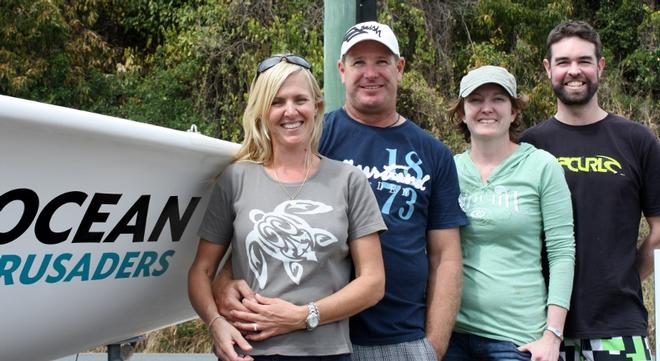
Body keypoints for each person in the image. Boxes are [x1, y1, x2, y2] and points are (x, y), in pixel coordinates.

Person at [214, 21, 468, 361]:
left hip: (400, 337)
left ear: (400, 67)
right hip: (317, 339)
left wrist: (433, 348)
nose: (370, 73)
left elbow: (446, 257)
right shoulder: (310, 136)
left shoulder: (433, 153)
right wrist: (224, 283)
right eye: (358, 62)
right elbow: (259, 216)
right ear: (341, 71)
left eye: (381, 61)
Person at [188, 54, 387, 361]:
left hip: (326, 354)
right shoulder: (236, 178)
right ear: (262, 112)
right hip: (247, 353)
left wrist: (304, 315)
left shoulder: (349, 180)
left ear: (317, 107)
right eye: (277, 102)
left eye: (300, 100)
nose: (290, 111)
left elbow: (373, 282)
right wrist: (215, 323)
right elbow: (201, 271)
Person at [521, 21, 660, 361]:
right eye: (563, 62)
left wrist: (624, 276)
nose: (574, 71)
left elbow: (659, 229)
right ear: (548, 69)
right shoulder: (529, 146)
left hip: (619, 328)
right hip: (540, 331)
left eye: (584, 61)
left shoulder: (638, 141)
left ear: (600, 66)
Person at [443, 65, 575, 361]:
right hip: (453, 335)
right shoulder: (448, 169)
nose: (486, 108)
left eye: (498, 99)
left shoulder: (542, 166)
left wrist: (552, 336)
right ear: (462, 113)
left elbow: (562, 252)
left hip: (517, 340)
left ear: (514, 111)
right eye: (475, 100)